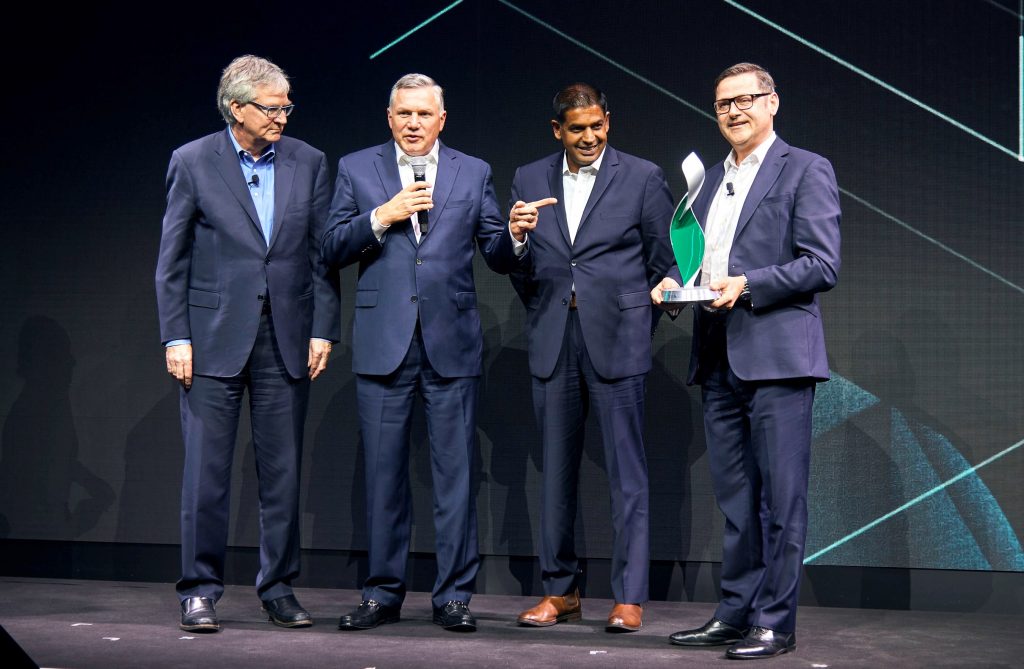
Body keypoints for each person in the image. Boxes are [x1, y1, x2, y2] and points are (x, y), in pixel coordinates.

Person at [653, 62, 841, 659]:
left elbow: (821, 263)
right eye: (722, 104)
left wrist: (749, 283)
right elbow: (701, 262)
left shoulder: (806, 168)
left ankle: (774, 622)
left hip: (779, 358)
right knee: (736, 501)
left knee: (781, 501)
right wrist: (674, 285)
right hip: (718, 358)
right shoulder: (706, 180)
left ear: (773, 103)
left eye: (745, 100)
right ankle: (735, 612)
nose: (733, 111)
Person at [322, 73, 521, 633]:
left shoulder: (473, 171)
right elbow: (331, 246)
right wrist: (381, 216)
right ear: (390, 118)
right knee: (383, 477)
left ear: (441, 120)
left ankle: (454, 596)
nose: (413, 124)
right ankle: (382, 593)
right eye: (403, 114)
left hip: (450, 343)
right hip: (384, 343)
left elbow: (495, 250)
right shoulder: (357, 169)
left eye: (423, 115)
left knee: (456, 476)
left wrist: (518, 236)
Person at [155, 55, 340, 632]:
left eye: (287, 105)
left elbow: (320, 255)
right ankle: (199, 590)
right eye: (271, 106)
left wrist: (321, 327)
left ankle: (279, 588)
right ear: (237, 108)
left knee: (281, 472)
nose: (282, 115)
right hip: (210, 340)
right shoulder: (192, 161)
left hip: (284, 336)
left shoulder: (309, 161)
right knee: (206, 474)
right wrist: (176, 335)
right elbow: (172, 260)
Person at [508, 83, 675, 633]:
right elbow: (522, 268)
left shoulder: (643, 176)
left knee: (628, 474)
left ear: (609, 122)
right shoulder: (529, 179)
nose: (589, 137)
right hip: (554, 339)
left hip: (618, 340)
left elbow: (664, 260)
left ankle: (629, 596)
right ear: (558, 130)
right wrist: (515, 240)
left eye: (596, 126)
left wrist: (641, 312)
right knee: (555, 474)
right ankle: (560, 592)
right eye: (576, 128)